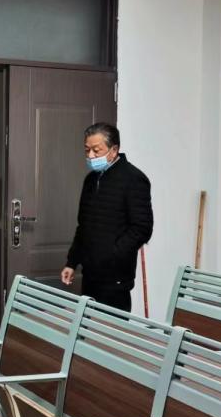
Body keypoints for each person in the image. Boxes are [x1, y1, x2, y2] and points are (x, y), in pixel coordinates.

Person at [61, 123, 153, 312]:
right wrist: (72, 262)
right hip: (90, 273)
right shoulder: (91, 180)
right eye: (87, 150)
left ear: (114, 150)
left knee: (111, 328)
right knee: (88, 325)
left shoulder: (133, 179)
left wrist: (113, 253)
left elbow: (142, 228)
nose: (90, 156)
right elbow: (83, 226)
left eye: (96, 150)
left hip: (116, 277)